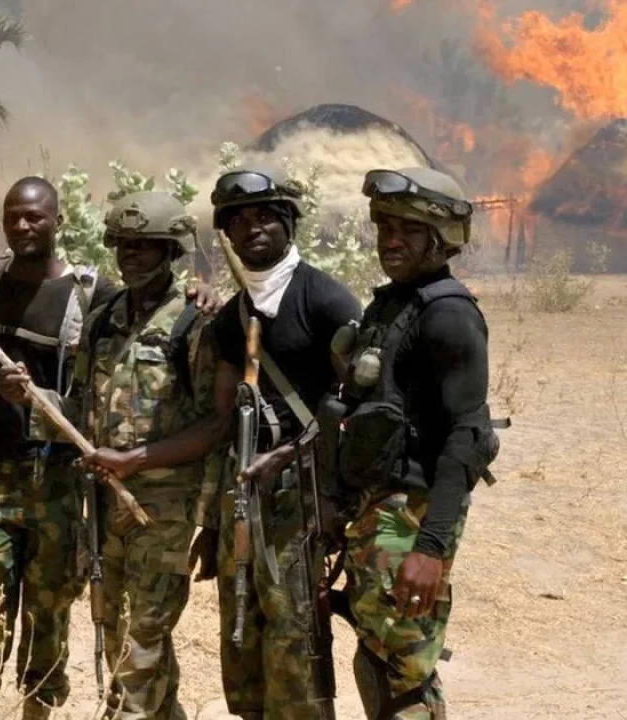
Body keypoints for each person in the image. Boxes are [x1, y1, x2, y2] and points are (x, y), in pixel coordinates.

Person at [0, 177, 221, 720]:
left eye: (35, 216)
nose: (23, 225)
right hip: (14, 480)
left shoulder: (111, 302)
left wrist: (202, 290)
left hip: (86, 487)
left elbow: (209, 414)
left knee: (63, 611)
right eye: (13, 215)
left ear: (58, 221)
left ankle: (44, 707)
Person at [0, 191, 223, 720]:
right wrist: (31, 397)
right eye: (123, 245)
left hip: (161, 512)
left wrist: (138, 461)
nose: (131, 256)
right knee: (118, 632)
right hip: (104, 508)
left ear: (170, 251)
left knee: (141, 640)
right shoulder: (104, 318)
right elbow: (79, 409)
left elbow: (214, 425)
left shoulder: (196, 321)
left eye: (145, 246)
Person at [325, 167, 498, 720]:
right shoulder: (392, 306)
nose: (391, 240)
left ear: (441, 238)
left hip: (412, 519)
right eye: (385, 226)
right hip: (376, 512)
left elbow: (469, 436)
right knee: (378, 657)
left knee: (403, 674)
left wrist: (430, 548)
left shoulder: (448, 314)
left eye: (409, 229)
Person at [201, 166, 365, 720]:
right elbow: (223, 419)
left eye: (266, 216)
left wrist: (326, 493)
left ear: (289, 223)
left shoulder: (325, 300)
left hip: (302, 496)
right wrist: (213, 523)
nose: (253, 228)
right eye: (239, 220)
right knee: (242, 638)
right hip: (244, 501)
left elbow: (361, 410)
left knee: (296, 638)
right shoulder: (232, 317)